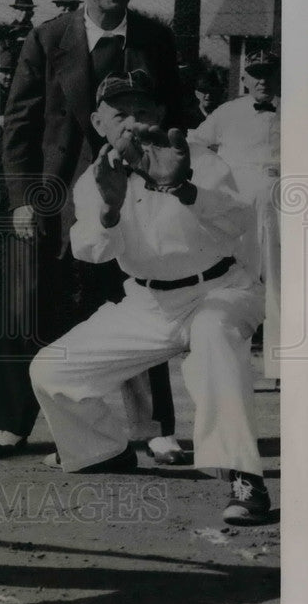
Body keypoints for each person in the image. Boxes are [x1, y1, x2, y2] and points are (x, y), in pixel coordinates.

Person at [30, 70, 270, 525]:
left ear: (160, 115)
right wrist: (110, 207)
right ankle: (104, 451)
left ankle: (244, 476)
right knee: (50, 369)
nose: (133, 122)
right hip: (147, 305)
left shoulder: (197, 157)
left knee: (215, 334)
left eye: (143, 110)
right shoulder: (95, 179)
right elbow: (92, 251)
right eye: (120, 113)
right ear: (99, 124)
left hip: (219, 290)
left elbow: (238, 223)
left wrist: (183, 187)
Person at [0, 0, 186, 463]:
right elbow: (21, 127)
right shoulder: (49, 39)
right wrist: (23, 198)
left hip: (132, 196)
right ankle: (10, 423)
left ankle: (155, 427)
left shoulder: (153, 39)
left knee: (144, 301)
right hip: (53, 196)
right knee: (24, 302)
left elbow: (177, 118)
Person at [188, 49, 280, 377]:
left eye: (269, 72)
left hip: (281, 202)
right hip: (239, 203)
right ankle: (230, 357)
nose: (263, 80)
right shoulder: (227, 112)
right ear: (244, 79)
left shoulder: (293, 109)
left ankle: (281, 362)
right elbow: (194, 144)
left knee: (280, 277)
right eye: (256, 74)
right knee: (237, 273)